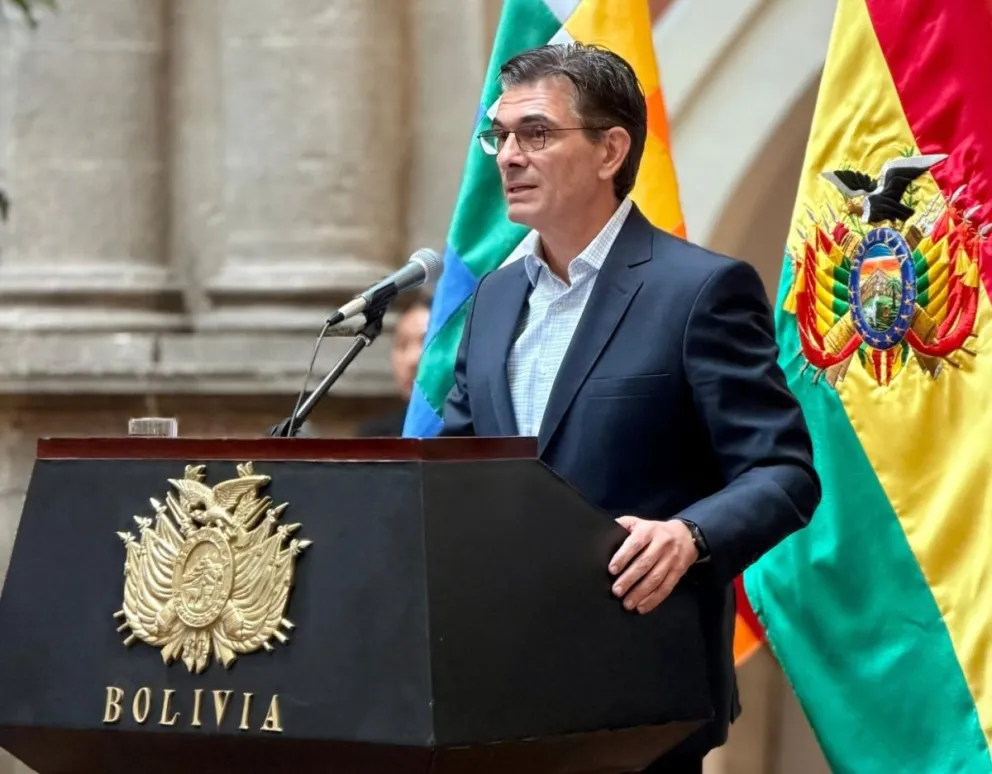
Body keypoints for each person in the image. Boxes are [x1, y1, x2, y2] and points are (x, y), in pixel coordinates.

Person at [439, 43, 821, 773]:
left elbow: (783, 472)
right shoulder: (492, 299)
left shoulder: (699, 291)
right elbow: (456, 476)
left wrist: (690, 535)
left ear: (612, 148)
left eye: (537, 134)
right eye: (501, 135)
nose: (509, 156)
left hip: (639, 689)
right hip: (494, 691)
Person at [355, 294, 431, 437]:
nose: (412, 359)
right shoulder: (375, 438)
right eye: (402, 345)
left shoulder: (474, 430)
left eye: (425, 341)